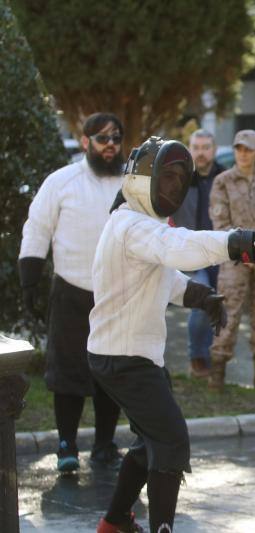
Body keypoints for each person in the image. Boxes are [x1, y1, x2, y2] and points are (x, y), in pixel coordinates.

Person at [88, 136, 255, 533]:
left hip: (131, 356)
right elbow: (182, 246)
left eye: (180, 180)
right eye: (167, 177)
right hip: (124, 359)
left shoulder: (139, 225)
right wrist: (239, 242)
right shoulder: (131, 225)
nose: (174, 187)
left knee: (152, 442)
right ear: (144, 179)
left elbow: (165, 275)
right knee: (172, 442)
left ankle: (114, 523)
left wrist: (202, 296)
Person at [18, 112, 124, 473]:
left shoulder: (131, 185)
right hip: (70, 292)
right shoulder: (60, 182)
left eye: (116, 139)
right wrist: (29, 278)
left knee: (111, 371)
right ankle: (66, 445)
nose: (110, 146)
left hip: (117, 295)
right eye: (102, 139)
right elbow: (37, 227)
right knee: (67, 374)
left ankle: (105, 443)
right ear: (85, 142)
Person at [208, 129, 255, 392]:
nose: (242, 154)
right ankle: (217, 373)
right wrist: (244, 254)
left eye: (248, 150)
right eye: (239, 149)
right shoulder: (222, 182)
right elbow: (221, 224)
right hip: (234, 261)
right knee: (227, 316)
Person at [171, 129, 225, 379]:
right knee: (201, 301)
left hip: (222, 251)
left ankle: (215, 353)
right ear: (189, 149)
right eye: (196, 147)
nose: (201, 152)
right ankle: (198, 357)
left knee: (219, 302)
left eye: (206, 147)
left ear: (214, 150)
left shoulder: (224, 177)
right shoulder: (179, 179)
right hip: (191, 252)